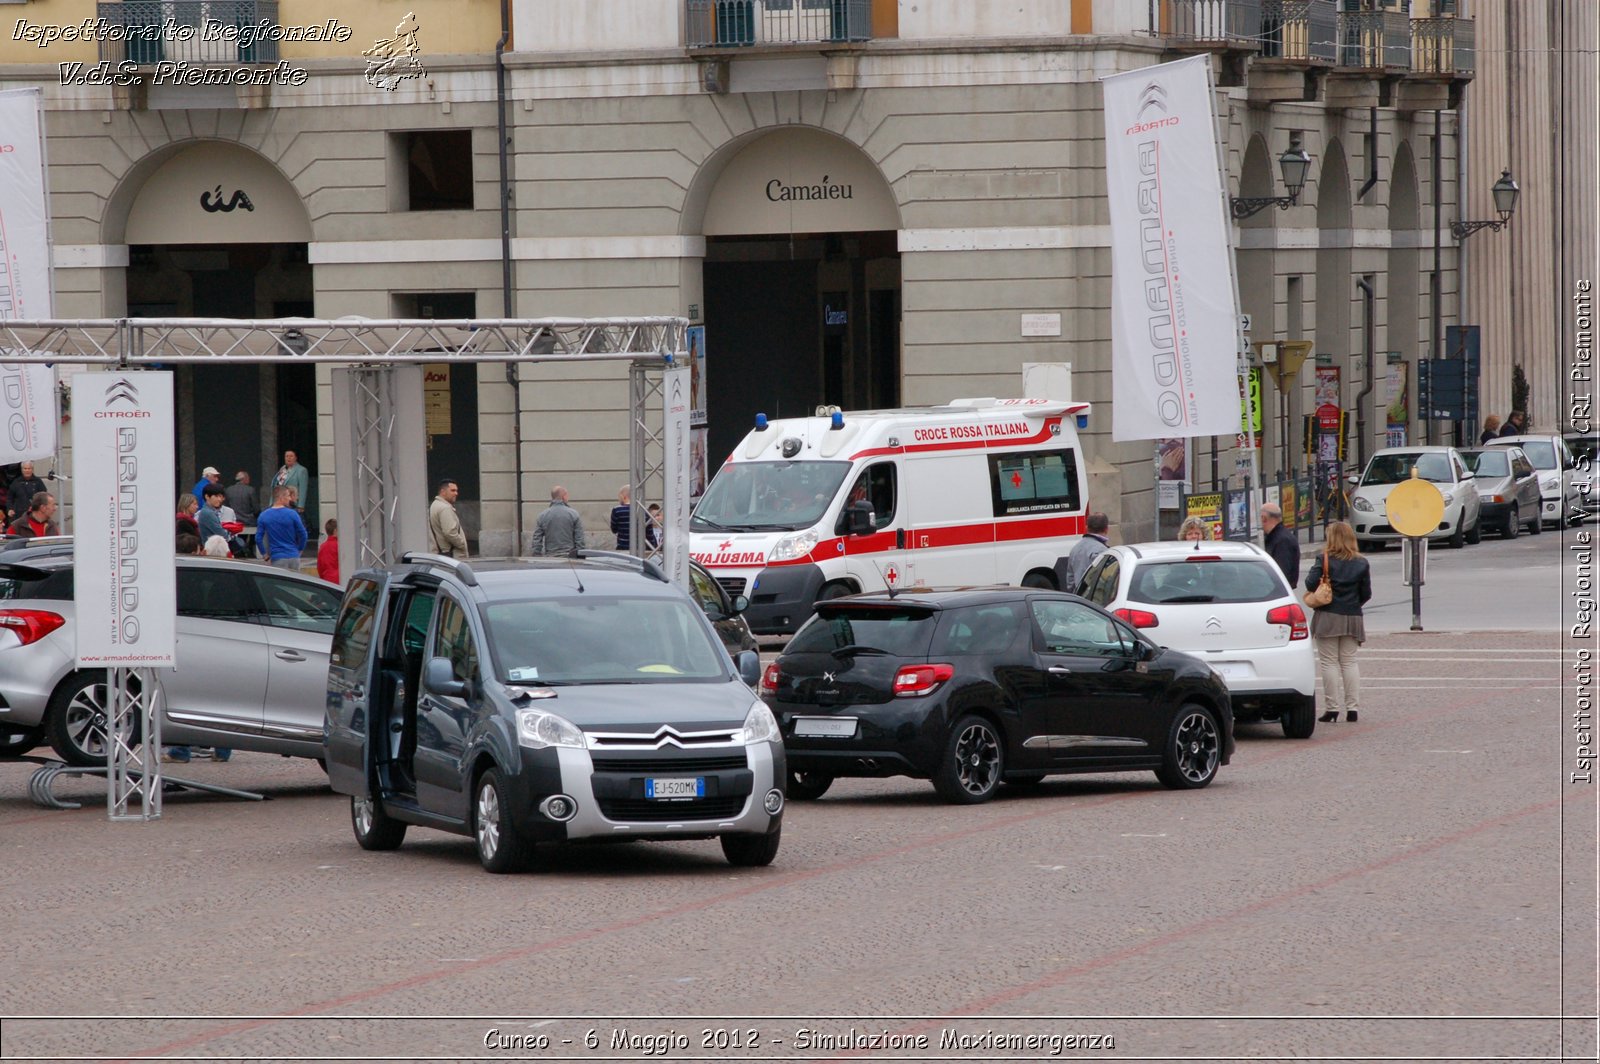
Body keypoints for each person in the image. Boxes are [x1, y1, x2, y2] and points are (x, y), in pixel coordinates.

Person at [1304, 520, 1372, 723]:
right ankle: (1353, 709)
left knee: (1329, 662)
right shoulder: (1361, 562)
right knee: (1349, 661)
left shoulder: (1324, 559)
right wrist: (1352, 604)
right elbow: (1366, 593)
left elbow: (1309, 583)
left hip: (1328, 615)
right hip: (1352, 615)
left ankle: (1332, 709)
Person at [1056, 512, 1109, 594]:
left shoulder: (1075, 549)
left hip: (1079, 599)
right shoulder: (1102, 551)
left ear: (1087, 528)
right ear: (1106, 529)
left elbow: (1070, 581)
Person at [257, 485, 307, 570]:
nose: (290, 498)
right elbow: (303, 534)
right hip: (293, 555)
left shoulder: (264, 515)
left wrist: (264, 554)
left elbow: (258, 538)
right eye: (287, 495)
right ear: (281, 497)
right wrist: (300, 549)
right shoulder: (293, 514)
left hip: (277, 556)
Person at [531, 485, 585, 557]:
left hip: (550, 557)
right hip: (570, 558)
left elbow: (537, 540)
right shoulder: (573, 514)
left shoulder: (542, 516)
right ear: (564, 496)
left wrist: (536, 556)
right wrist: (580, 556)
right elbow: (579, 540)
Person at [428, 478, 469, 558]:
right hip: (453, 556)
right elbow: (450, 532)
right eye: (452, 490)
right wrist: (462, 544)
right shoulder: (444, 508)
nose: (456, 493)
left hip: (443, 554)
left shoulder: (435, 505)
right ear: (443, 492)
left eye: (456, 491)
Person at [1260, 503, 1300, 586]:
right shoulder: (1276, 537)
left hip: (1277, 594)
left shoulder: (1282, 540)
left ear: (1264, 518)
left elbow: (1282, 574)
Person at [271, 450, 310, 529]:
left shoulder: (301, 470)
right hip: (280, 502)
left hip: (292, 503)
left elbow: (303, 488)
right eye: (286, 456)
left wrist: (301, 505)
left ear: (295, 458)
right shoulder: (282, 470)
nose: (288, 458)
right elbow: (275, 484)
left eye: (291, 456)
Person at [225, 470, 259, 552]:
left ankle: (239, 550)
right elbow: (256, 509)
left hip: (233, 521)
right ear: (245, 479)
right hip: (248, 521)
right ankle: (250, 549)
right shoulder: (250, 490)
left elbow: (226, 507)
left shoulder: (228, 490)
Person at [610, 485, 635, 551]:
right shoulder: (642, 510)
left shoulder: (617, 510)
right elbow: (649, 533)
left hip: (623, 547)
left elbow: (614, 529)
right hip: (640, 549)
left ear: (623, 496)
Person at [318, 518, 340, 583]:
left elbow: (320, 567)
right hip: (339, 579)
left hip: (327, 579)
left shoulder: (323, 546)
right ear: (335, 530)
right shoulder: (340, 546)